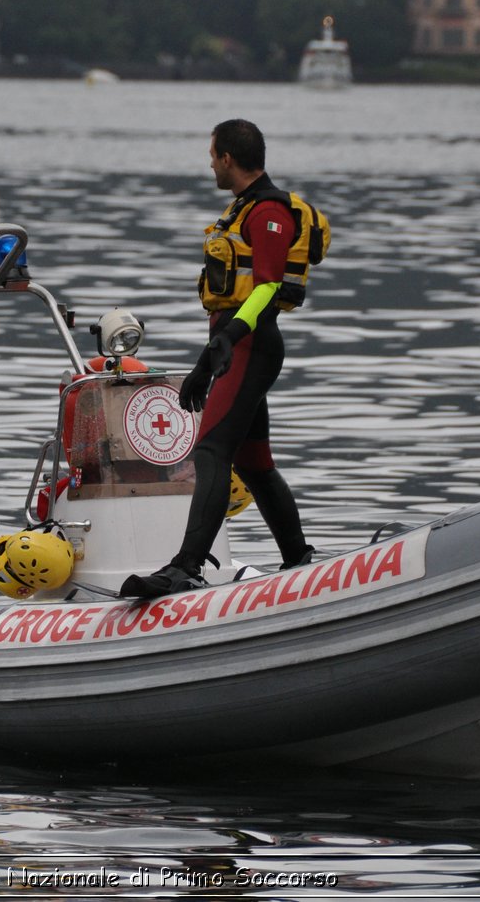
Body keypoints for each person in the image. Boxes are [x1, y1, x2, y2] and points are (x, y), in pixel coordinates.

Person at [122, 119, 318, 599]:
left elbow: (268, 285)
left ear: (228, 157)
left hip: (252, 344)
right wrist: (206, 363)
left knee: (211, 451)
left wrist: (227, 340)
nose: (210, 163)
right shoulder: (243, 209)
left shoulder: (267, 212)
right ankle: (299, 559)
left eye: (212, 155)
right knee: (253, 462)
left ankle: (185, 567)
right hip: (238, 346)